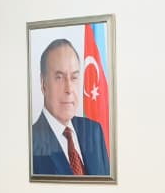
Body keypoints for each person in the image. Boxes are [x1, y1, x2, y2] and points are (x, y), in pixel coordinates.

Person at [31, 38, 110, 176]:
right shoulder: (30, 142)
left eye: (74, 78)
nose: (69, 89)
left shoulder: (94, 131)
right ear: (43, 84)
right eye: (59, 77)